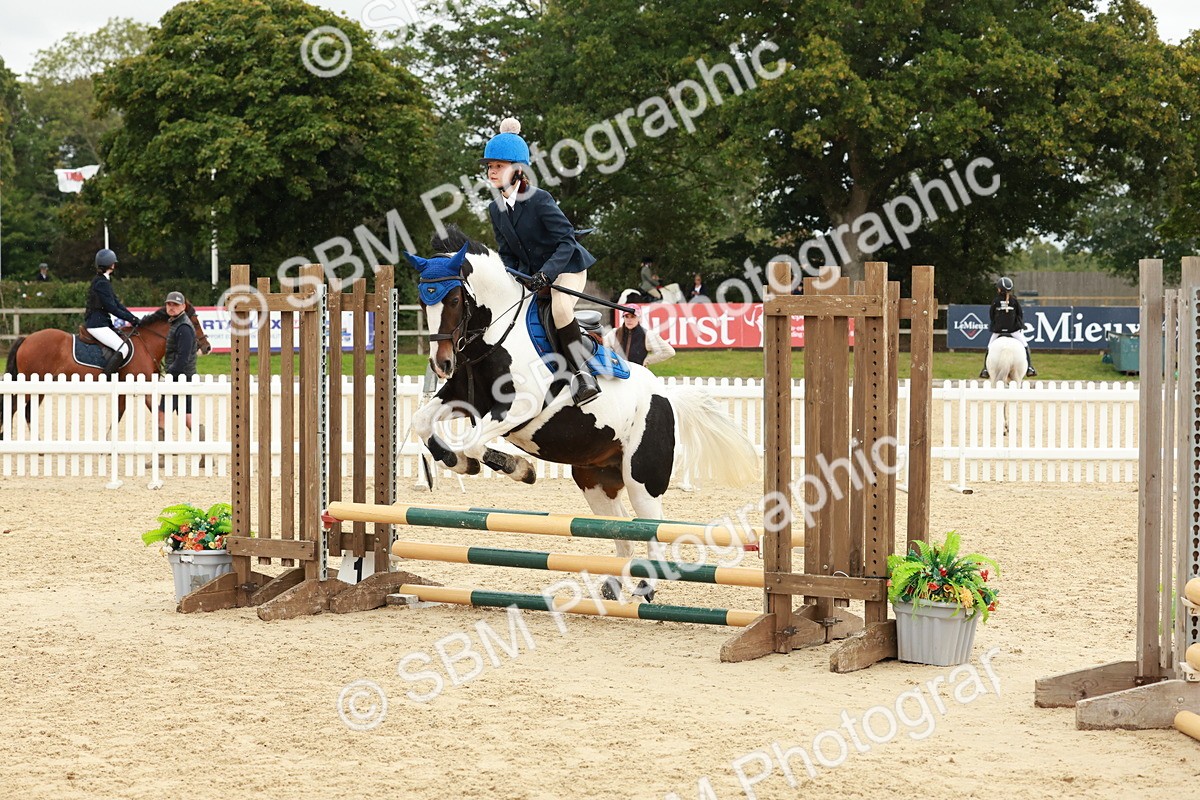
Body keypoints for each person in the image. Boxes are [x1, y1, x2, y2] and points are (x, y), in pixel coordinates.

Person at [483, 117, 600, 405]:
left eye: (498, 166)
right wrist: (515, 279)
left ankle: (582, 375)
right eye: (489, 166)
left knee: (560, 308)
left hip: (567, 267)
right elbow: (507, 252)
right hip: (534, 276)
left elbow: (566, 241)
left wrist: (547, 275)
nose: (491, 171)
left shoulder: (540, 199)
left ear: (517, 170)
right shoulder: (495, 209)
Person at [84, 248, 140, 375]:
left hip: (101, 323)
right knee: (123, 349)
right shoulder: (101, 283)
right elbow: (112, 308)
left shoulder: (103, 280)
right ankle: (105, 378)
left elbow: (117, 303)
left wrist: (132, 317)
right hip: (97, 325)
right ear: (111, 264)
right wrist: (131, 319)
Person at [980, 276, 1036, 379]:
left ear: (1000, 289)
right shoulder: (1014, 300)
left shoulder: (995, 301)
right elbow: (1020, 315)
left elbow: (991, 315)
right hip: (1014, 331)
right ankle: (1030, 368)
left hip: (998, 331)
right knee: (1025, 345)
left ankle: (985, 369)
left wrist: (998, 325)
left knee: (990, 347)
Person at [604, 309, 676, 367]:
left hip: (638, 375)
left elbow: (669, 351)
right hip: (618, 374)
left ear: (639, 318)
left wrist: (647, 360)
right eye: (627, 316)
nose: (629, 320)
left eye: (633, 316)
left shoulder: (648, 335)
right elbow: (601, 346)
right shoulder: (614, 333)